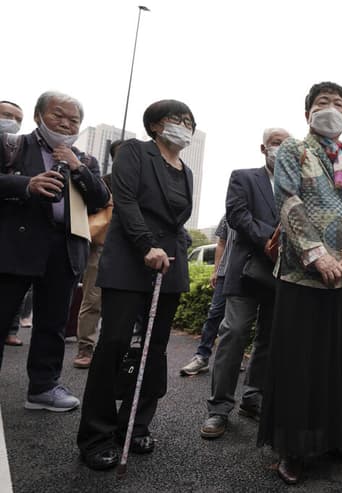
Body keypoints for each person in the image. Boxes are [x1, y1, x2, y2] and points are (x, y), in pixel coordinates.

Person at [256, 82, 342, 486]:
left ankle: (337, 438)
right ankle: (292, 448)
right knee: (300, 362)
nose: (331, 108)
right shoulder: (294, 149)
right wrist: (316, 254)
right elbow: (288, 199)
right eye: (322, 103)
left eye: (338, 103)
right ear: (307, 111)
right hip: (302, 275)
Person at [76, 99, 195, 471]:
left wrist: (175, 246)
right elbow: (125, 201)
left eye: (190, 121)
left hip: (170, 263)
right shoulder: (134, 153)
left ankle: (135, 424)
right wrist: (147, 244)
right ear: (157, 125)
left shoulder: (186, 171)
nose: (185, 125)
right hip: (132, 257)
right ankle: (96, 435)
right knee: (114, 342)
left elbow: (177, 219)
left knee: (154, 349)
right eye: (178, 119)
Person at [0, 91, 110, 410]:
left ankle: (43, 388)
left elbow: (101, 198)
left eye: (73, 119)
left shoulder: (84, 158)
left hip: (64, 248)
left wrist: (77, 168)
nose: (65, 123)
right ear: (38, 116)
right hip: (15, 244)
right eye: (57, 115)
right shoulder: (12, 145)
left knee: (52, 324)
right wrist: (25, 185)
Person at [200, 127, 289, 439]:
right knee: (234, 333)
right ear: (263, 148)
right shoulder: (244, 177)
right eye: (276, 143)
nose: (281, 148)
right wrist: (270, 239)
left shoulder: (299, 186)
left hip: (283, 273)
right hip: (247, 270)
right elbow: (237, 215)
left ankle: (253, 397)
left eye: (287, 144)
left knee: (269, 339)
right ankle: (218, 409)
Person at [73, 140, 119, 369]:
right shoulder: (105, 181)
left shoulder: (144, 183)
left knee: (120, 304)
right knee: (92, 300)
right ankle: (85, 348)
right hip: (101, 246)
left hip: (131, 251)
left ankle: (111, 350)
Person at [180, 214, 230, 376]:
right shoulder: (229, 214)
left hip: (249, 274)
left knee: (238, 320)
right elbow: (221, 243)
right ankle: (201, 356)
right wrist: (216, 270)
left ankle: (231, 357)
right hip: (225, 274)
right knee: (215, 314)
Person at [0, 100, 31, 348]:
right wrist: (25, 184)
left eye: (17, 118)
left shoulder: (16, 149)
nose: (12, 121)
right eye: (6, 115)